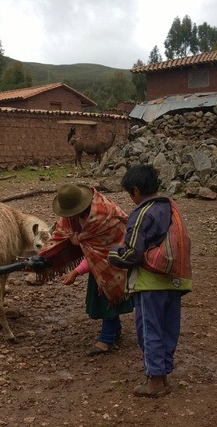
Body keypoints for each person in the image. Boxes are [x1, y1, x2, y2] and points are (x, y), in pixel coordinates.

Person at [108, 164, 192, 398]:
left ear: (135, 190)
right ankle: (162, 375)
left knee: (149, 329)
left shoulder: (142, 213)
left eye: (129, 194)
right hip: (173, 281)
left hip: (150, 284)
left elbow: (133, 253)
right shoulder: (170, 207)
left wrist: (113, 254)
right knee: (168, 329)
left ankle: (154, 381)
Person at [38, 183, 134, 356]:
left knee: (107, 299)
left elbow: (101, 255)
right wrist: (45, 255)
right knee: (102, 299)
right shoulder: (72, 215)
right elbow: (61, 234)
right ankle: (114, 328)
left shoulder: (103, 217)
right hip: (97, 265)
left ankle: (107, 339)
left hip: (113, 263)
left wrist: (76, 271)